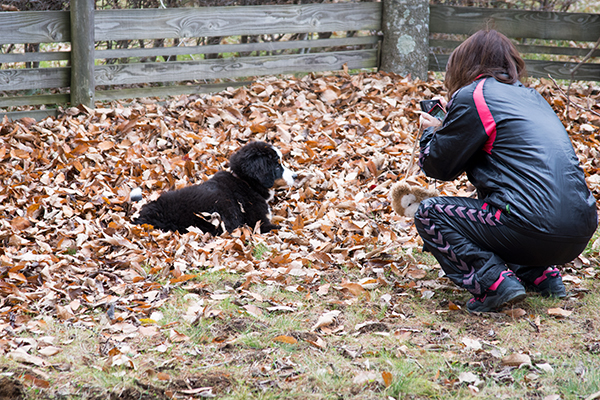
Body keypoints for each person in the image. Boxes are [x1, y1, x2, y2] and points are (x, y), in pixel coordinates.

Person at [415, 29, 598, 313]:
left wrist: (429, 134)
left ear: (463, 64)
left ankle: (494, 284)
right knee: (499, 210)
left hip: (531, 225)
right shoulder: (532, 97)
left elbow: (437, 166)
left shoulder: (473, 95)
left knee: (430, 213)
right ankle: (541, 275)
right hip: (579, 230)